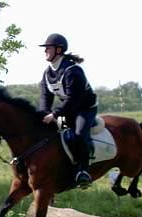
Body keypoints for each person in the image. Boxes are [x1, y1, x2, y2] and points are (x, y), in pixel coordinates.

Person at [39, 33, 98, 189]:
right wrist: (44, 114)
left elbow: (73, 99)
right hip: (68, 110)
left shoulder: (72, 71)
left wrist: (55, 114)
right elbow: (45, 98)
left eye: (48, 48)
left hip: (84, 109)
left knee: (78, 135)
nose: (45, 51)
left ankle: (83, 172)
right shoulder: (47, 74)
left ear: (58, 50)